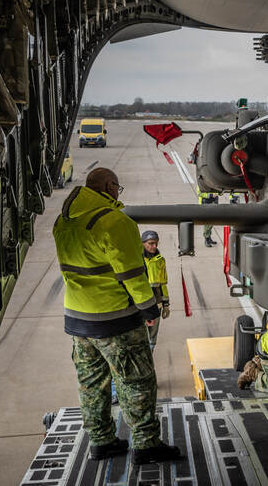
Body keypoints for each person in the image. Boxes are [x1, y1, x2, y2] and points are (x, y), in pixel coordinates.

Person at [53, 168, 180, 465]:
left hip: (77, 318)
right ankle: (146, 444)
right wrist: (150, 309)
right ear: (110, 187)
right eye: (117, 188)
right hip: (114, 319)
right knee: (136, 381)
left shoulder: (64, 221)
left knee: (92, 384)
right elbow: (134, 276)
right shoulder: (114, 222)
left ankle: (101, 441)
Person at [141, 230, 170, 351]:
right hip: (140, 305)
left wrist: (166, 305)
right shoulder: (136, 260)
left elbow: (163, 284)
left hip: (156, 304)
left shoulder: (160, 261)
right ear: (143, 243)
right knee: (140, 337)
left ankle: (150, 358)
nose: (154, 246)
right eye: (151, 243)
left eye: (156, 243)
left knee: (152, 338)